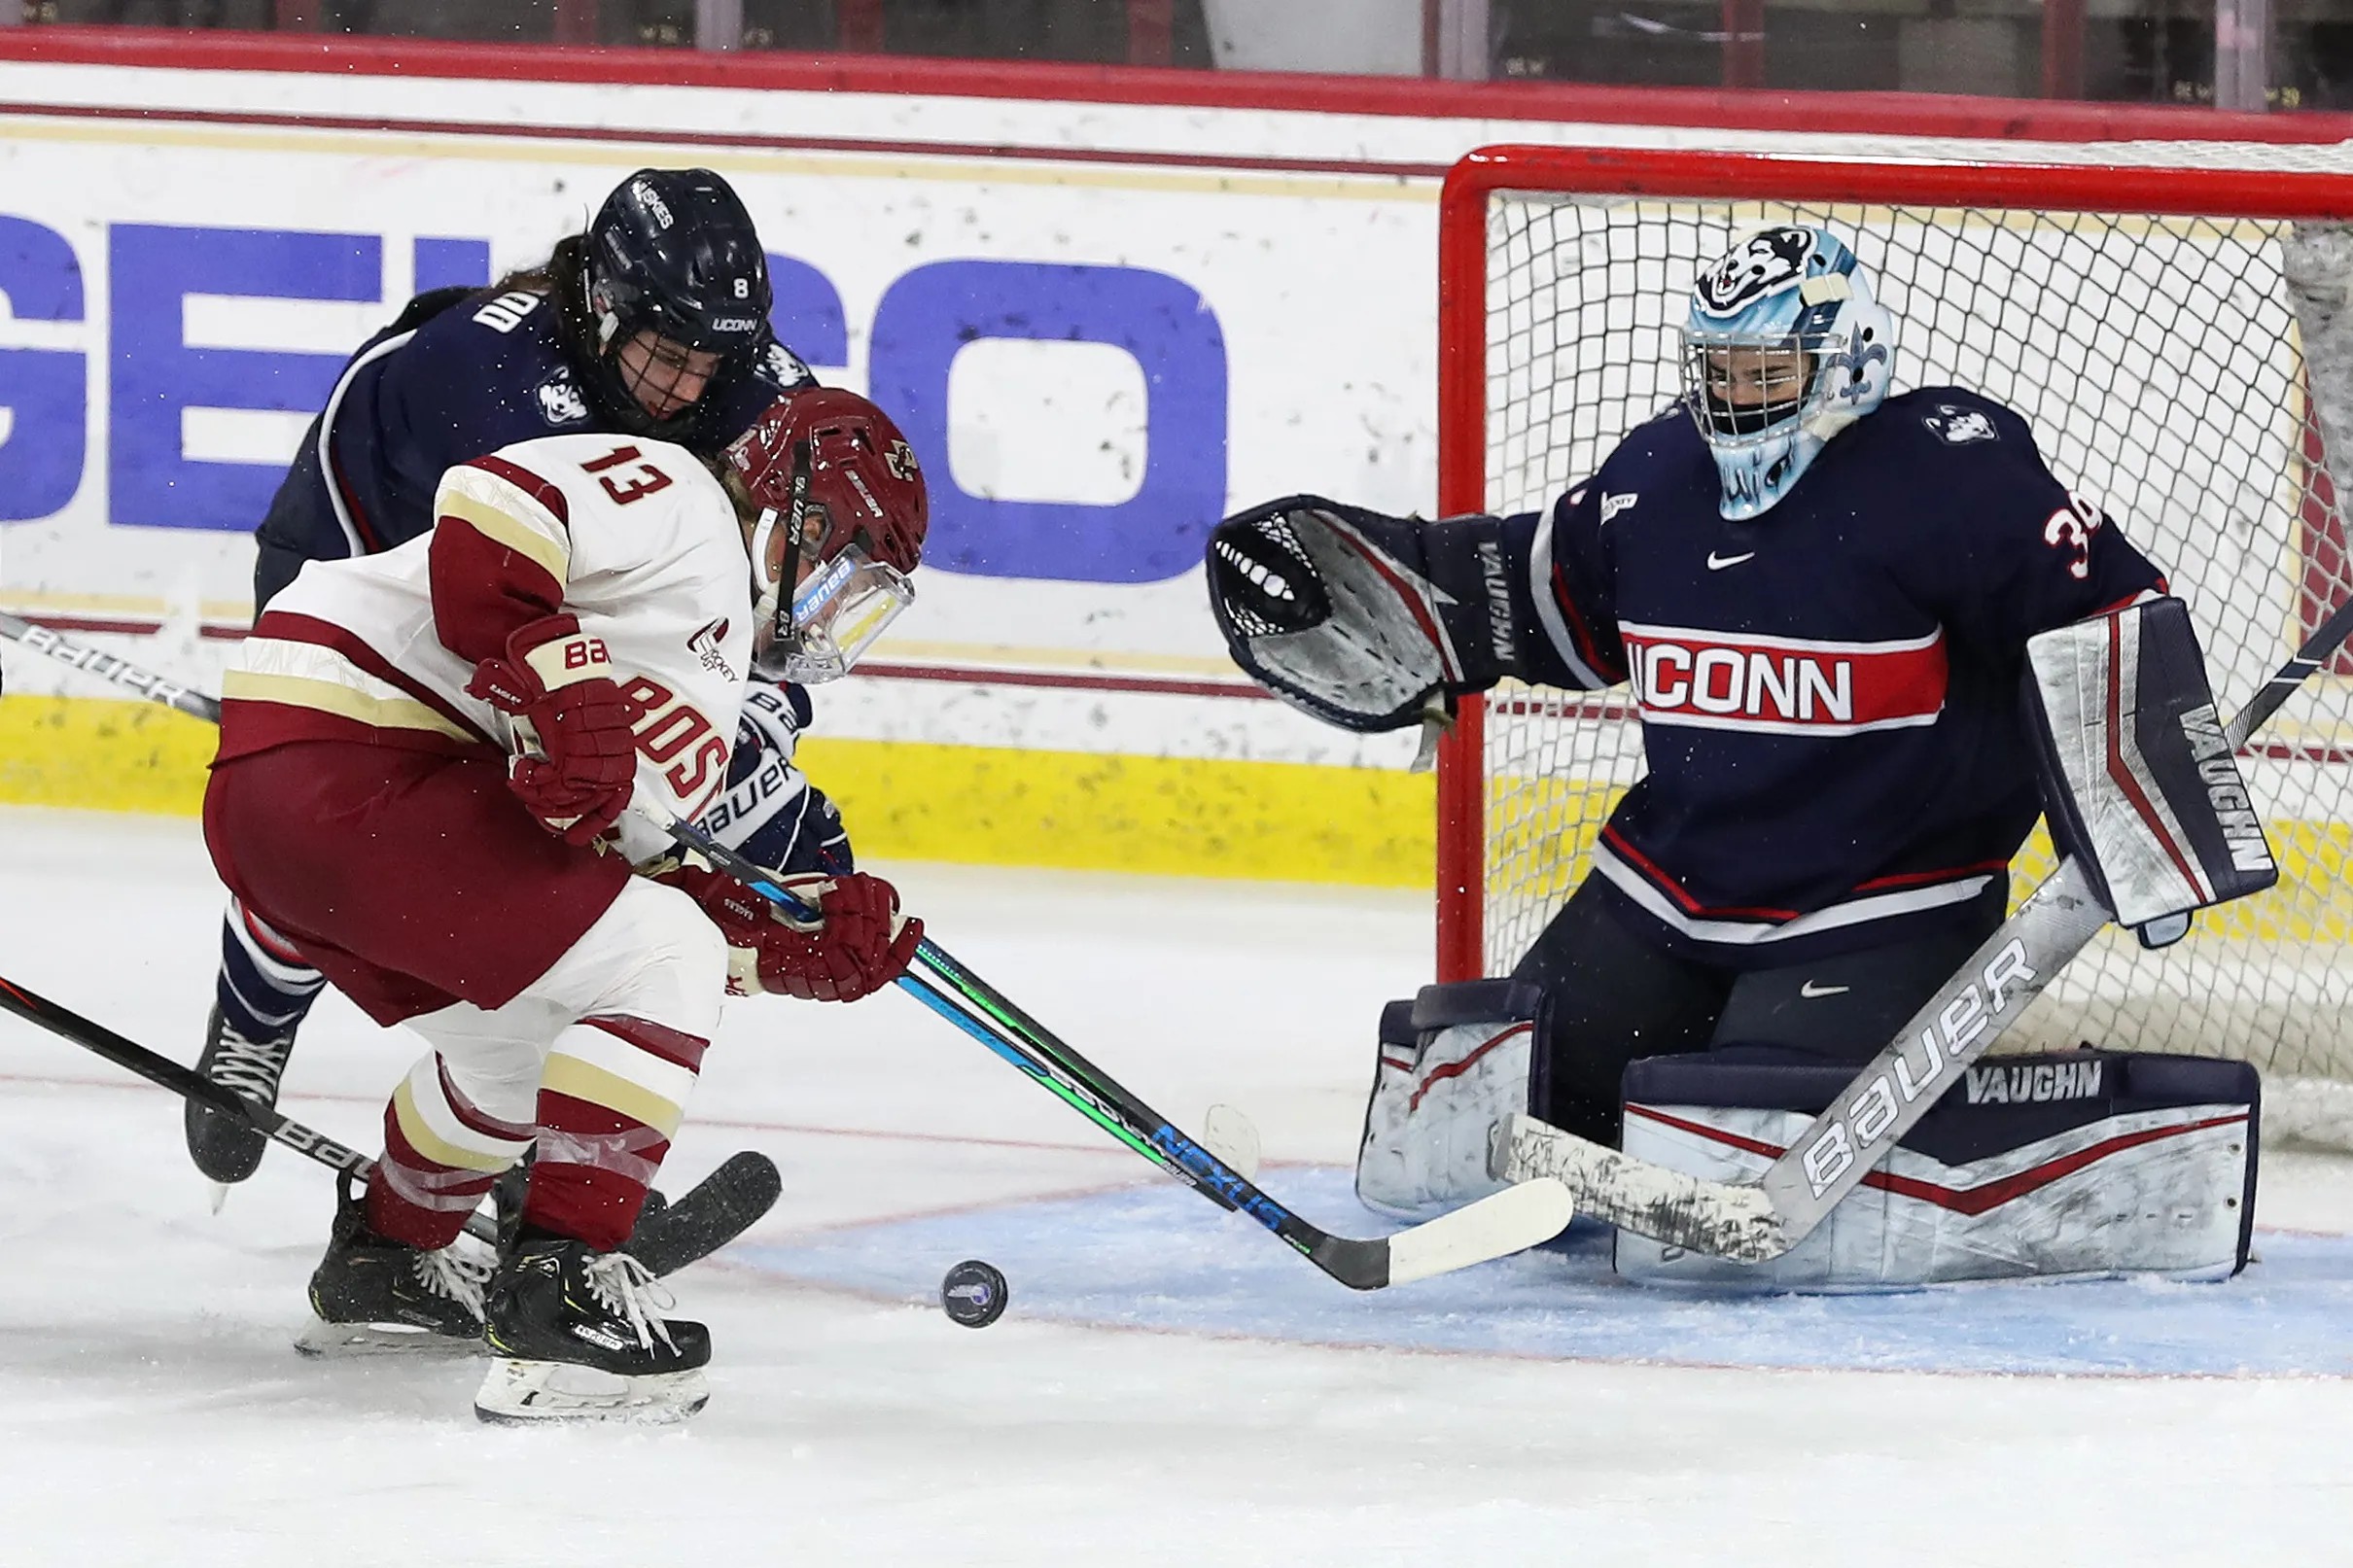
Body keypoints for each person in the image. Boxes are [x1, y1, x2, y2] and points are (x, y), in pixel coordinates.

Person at [1210, 224, 2196, 1167]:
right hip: (1662, 895)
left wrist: (2148, 832)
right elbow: (1546, 594)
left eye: (1764, 375)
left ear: (1843, 359)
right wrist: (1412, 592)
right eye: (1717, 376)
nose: (1735, 403)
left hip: (1879, 904)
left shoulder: (1951, 476)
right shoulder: (1660, 472)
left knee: (1734, 1123)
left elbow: (2108, 617)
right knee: (1489, 1104)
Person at [206, 387, 928, 1423]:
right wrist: (556, 671)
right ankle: (563, 1292)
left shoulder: (710, 681)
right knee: (659, 952)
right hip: (348, 758)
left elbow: (613, 886)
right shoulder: (683, 499)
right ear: (797, 515)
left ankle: (385, 1255)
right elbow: (495, 506)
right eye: (845, 577)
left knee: (522, 1046)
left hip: (333, 822)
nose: (830, 619)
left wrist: (778, 949)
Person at [190, 166, 856, 1191]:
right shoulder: (492, 374)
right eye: (666, 355)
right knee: (368, 821)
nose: (689, 385)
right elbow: (539, 590)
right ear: (603, 303)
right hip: (358, 562)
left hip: (527, 574)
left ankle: (504, 1091)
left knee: (547, 838)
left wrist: (762, 720)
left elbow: (787, 568)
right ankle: (257, 1007)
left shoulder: (746, 380)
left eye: (710, 358)